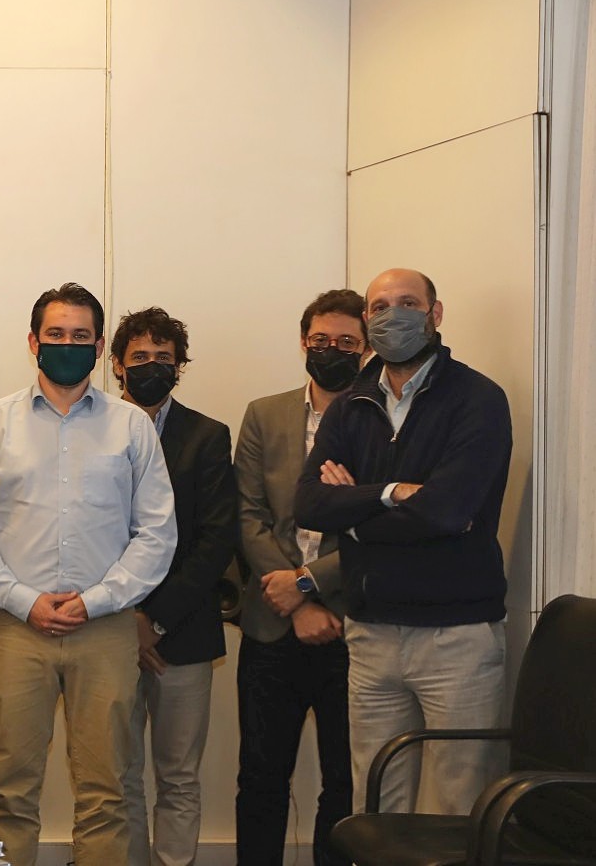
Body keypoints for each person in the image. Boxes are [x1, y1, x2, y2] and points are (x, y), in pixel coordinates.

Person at [0, 282, 176, 866]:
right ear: (33, 342)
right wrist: (23, 599)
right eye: (56, 335)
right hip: (14, 629)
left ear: (100, 346)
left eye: (81, 337)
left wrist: (98, 600)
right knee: (8, 791)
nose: (67, 345)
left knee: (106, 794)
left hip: (104, 630)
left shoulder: (132, 427)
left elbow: (156, 534)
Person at [296, 269, 513, 817]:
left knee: (454, 810)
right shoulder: (352, 404)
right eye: (380, 306)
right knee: (375, 806)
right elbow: (309, 503)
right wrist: (393, 493)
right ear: (367, 322)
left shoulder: (478, 398)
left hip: (456, 639)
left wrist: (356, 514)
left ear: (435, 314)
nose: (393, 315)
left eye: (408, 303)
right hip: (371, 634)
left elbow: (447, 511)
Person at [236, 288, 366, 866]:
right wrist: (293, 597)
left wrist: (312, 586)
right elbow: (247, 514)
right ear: (302, 343)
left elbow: (380, 525)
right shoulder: (265, 413)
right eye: (321, 340)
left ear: (364, 350)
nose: (331, 350)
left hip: (351, 628)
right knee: (261, 778)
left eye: (346, 342)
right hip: (270, 627)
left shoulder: (382, 422)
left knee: (344, 784)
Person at [108, 308, 237, 866]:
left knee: (179, 775)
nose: (152, 368)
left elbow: (215, 540)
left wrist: (153, 619)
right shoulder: (92, 429)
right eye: (140, 358)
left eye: (165, 359)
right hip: (107, 631)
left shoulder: (208, 436)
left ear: (180, 367)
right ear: (117, 365)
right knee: (118, 776)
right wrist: (125, 618)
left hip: (181, 634)